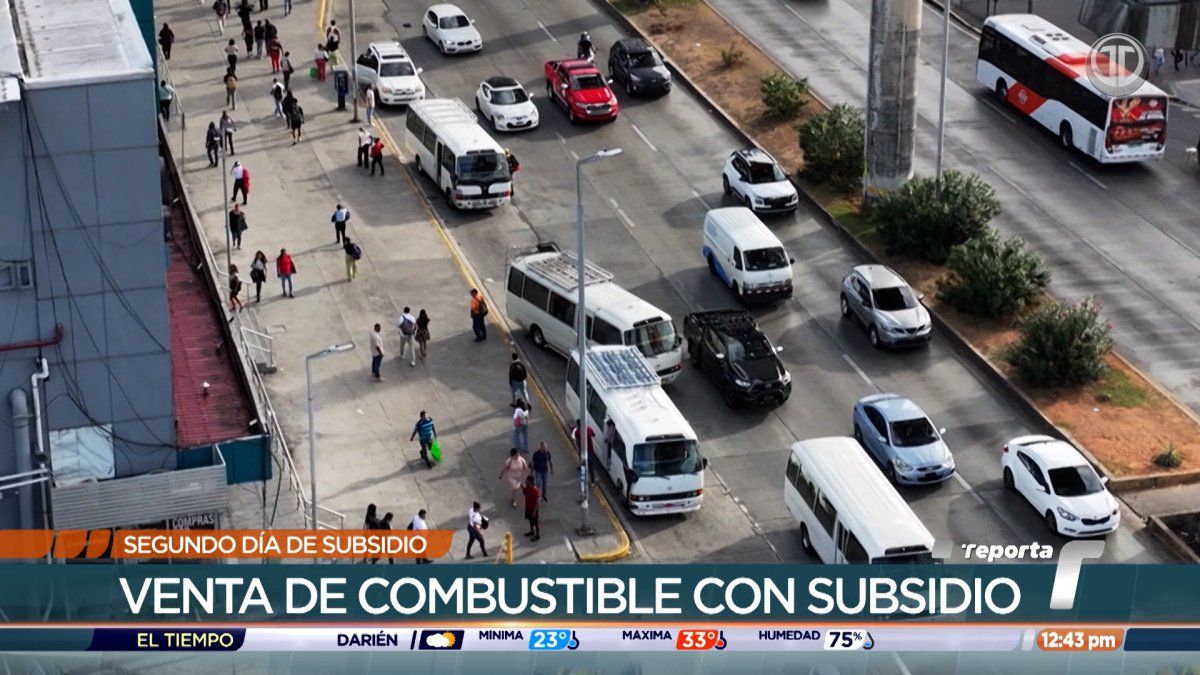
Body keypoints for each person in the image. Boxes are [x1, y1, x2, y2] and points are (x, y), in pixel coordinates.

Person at [522, 475, 541, 541]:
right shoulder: (528, 488)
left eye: (527, 481)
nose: (526, 482)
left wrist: (534, 511)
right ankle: (532, 531)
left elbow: (537, 501)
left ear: (530, 482)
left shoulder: (535, 490)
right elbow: (525, 493)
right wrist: (522, 487)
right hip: (528, 507)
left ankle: (537, 535)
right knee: (530, 520)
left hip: (533, 509)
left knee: (535, 522)